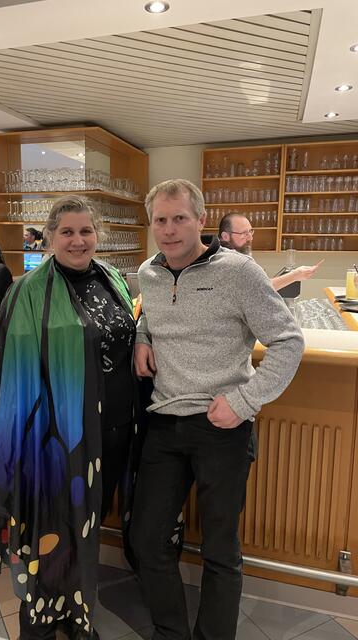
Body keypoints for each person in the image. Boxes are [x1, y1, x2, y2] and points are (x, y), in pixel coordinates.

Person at [130, 180, 304, 640]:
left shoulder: (239, 272)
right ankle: (171, 632)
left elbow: (289, 341)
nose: (169, 230)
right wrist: (143, 336)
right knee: (146, 539)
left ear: (202, 220)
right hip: (164, 422)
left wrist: (244, 402)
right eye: (161, 220)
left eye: (180, 218)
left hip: (222, 426)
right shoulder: (149, 272)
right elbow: (151, 313)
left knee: (220, 550)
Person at [0, 196, 140, 640]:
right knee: (50, 528)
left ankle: (76, 614)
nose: (78, 240)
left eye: (86, 231)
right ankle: (40, 621)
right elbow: (11, 371)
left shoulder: (113, 279)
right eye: (67, 232)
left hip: (112, 435)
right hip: (55, 438)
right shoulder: (27, 290)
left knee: (87, 526)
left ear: (97, 235)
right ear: (49, 237)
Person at [218, 213, 323, 291]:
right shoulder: (225, 261)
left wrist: (296, 275)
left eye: (250, 231)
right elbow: (260, 288)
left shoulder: (237, 256)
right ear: (225, 236)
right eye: (244, 233)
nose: (250, 238)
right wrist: (296, 275)